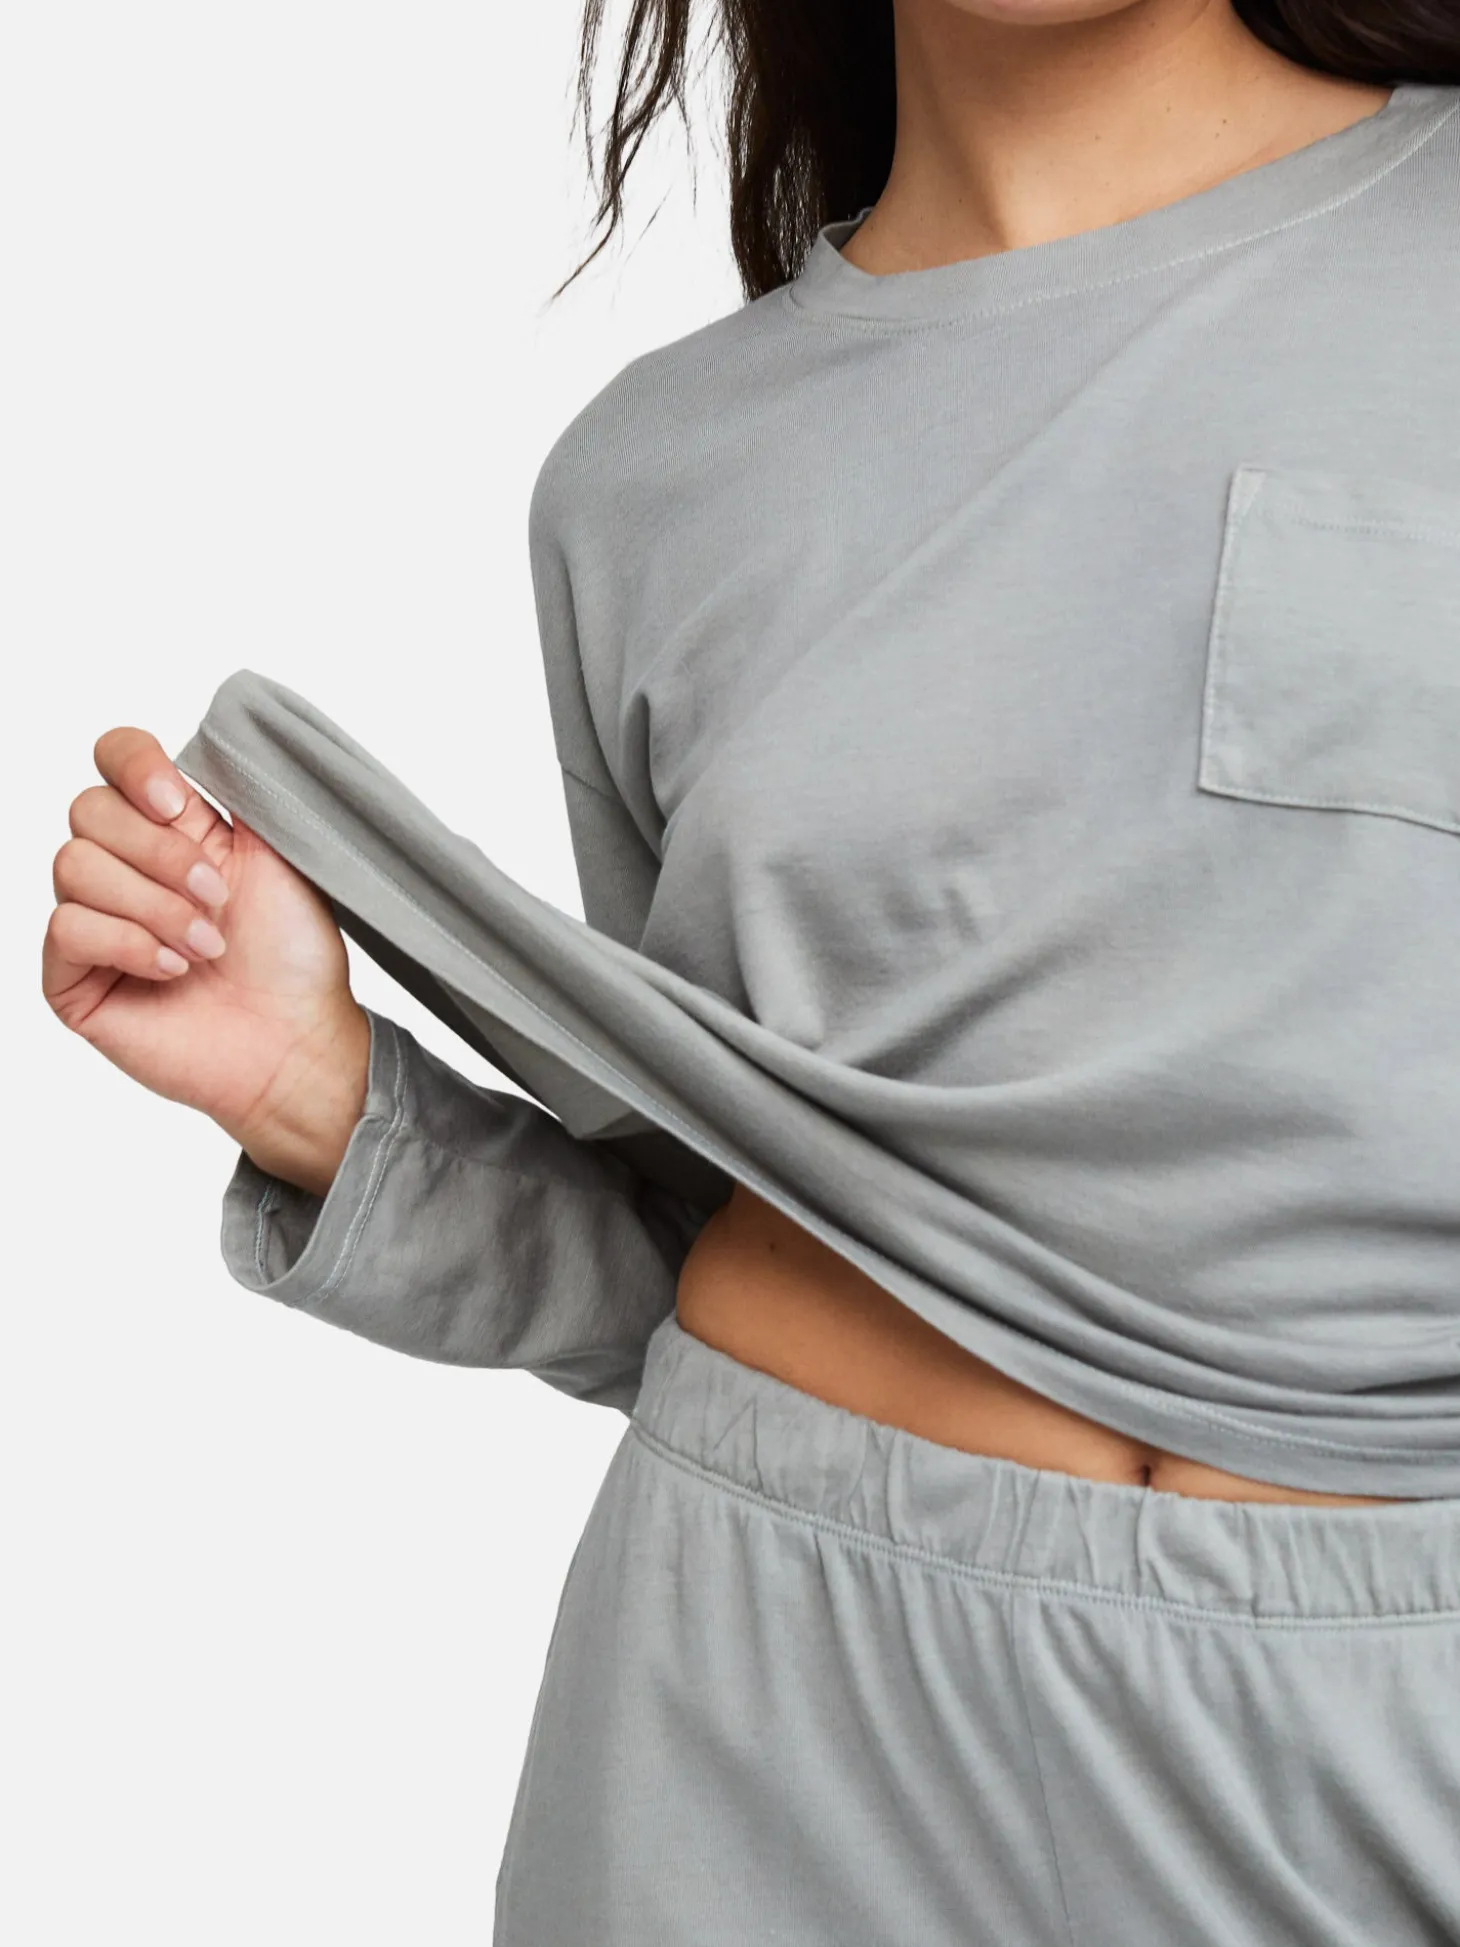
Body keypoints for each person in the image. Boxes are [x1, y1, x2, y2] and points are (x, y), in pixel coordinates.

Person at [43, 1, 1460, 1940]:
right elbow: (715, 1236)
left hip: (1375, 1735)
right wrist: (330, 1096)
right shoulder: (654, 481)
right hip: (751, 1717)